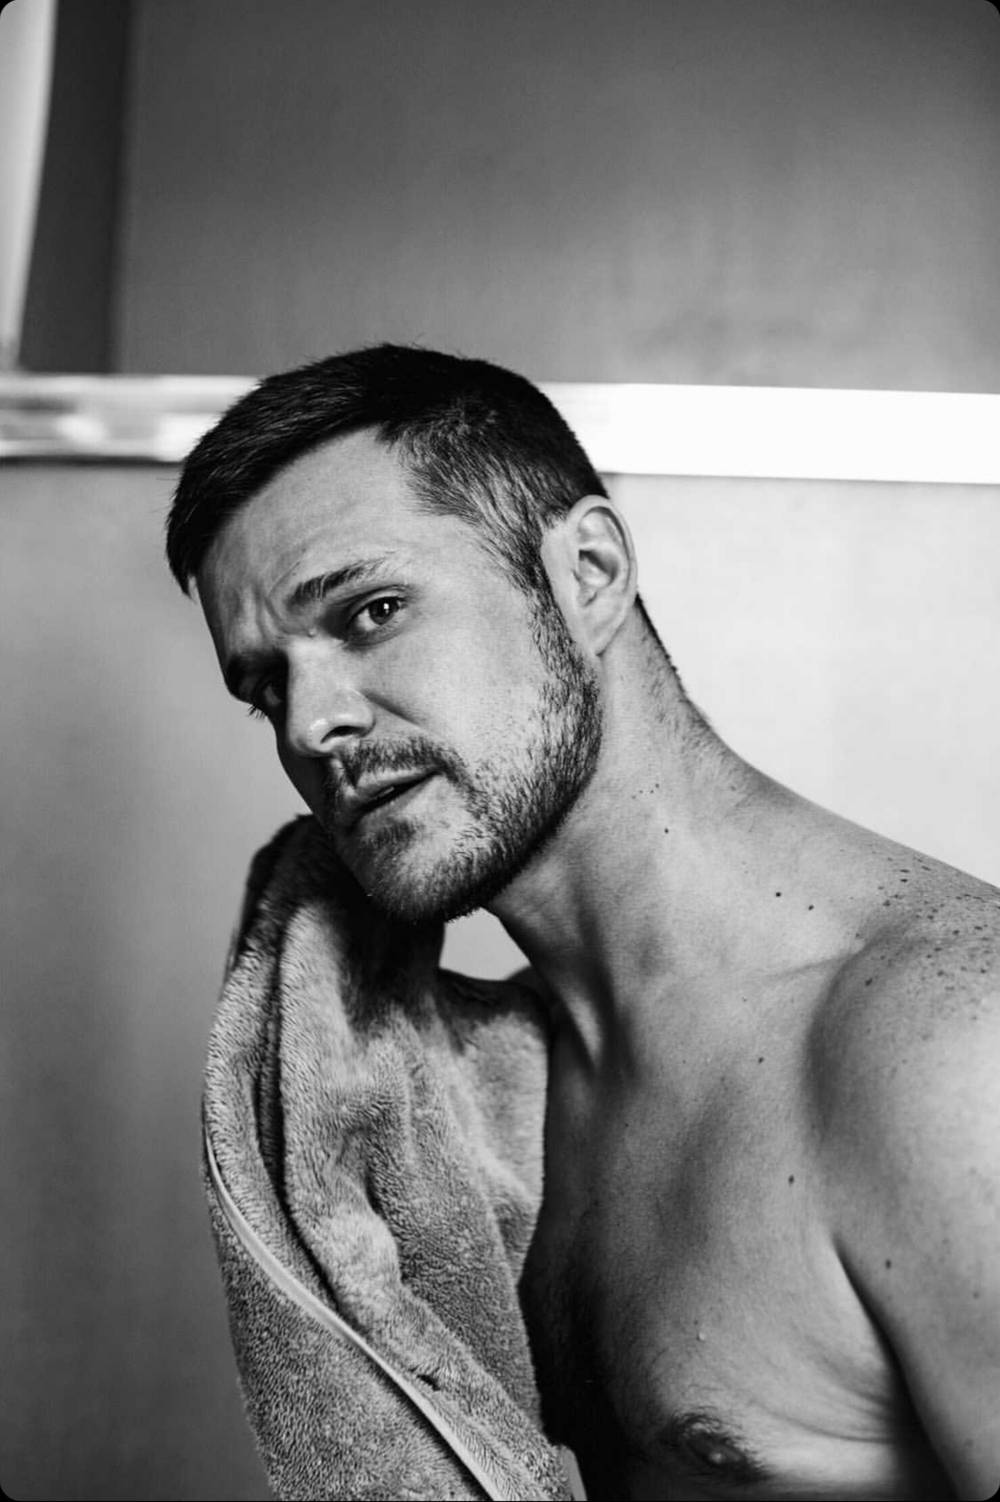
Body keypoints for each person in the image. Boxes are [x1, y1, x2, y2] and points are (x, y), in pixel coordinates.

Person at [168, 344, 1000, 1502]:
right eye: (267, 685)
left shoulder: (951, 1049)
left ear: (589, 573)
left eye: (370, 612)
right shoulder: (485, 1103)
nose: (310, 725)